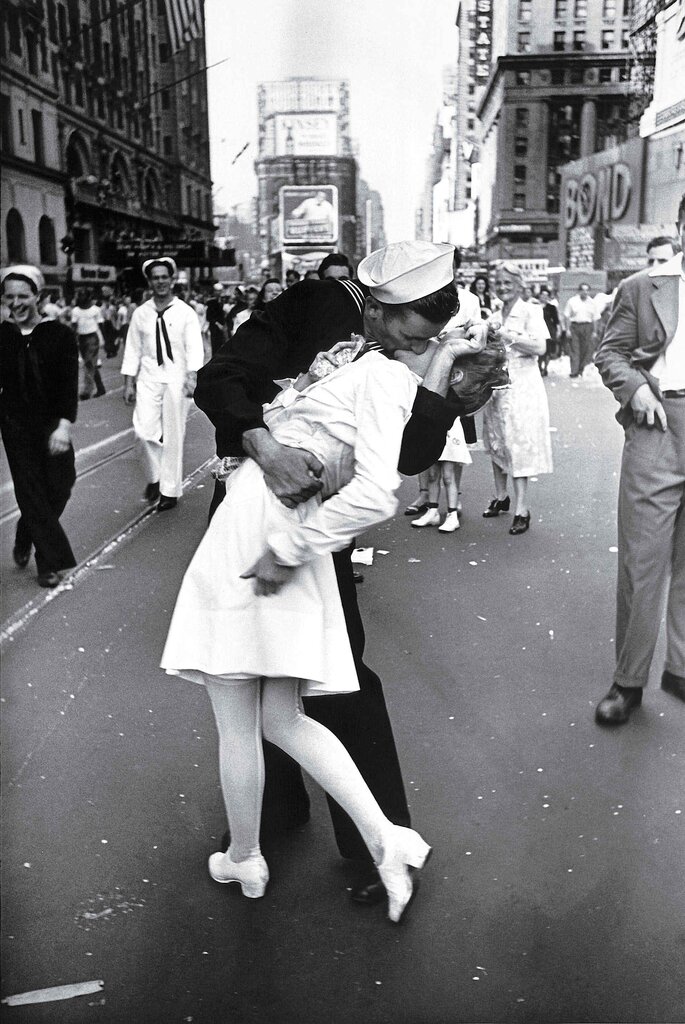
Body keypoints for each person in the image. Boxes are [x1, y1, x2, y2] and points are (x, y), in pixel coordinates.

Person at [193, 241, 487, 905]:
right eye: (403, 330)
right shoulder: (316, 303)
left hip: (319, 525)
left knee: (336, 673)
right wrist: (266, 448)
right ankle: (270, 816)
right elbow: (221, 378)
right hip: (254, 492)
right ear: (378, 306)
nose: (406, 345)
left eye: (425, 338)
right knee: (250, 666)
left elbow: (405, 460)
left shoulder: (424, 353)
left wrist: (437, 386)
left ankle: (375, 841)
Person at [593, 194, 685, 725]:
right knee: (642, 563)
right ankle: (628, 683)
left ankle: (680, 668)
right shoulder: (642, 287)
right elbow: (610, 353)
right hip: (659, 424)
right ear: (680, 226)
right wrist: (635, 389)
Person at [0, 265, 79, 588]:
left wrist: (63, 426)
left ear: (38, 297)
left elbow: (67, 385)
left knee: (61, 484)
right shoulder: (2, 335)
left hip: (50, 423)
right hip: (14, 424)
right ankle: (49, 563)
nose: (16, 303)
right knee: (30, 489)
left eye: (23, 296)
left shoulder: (59, 335)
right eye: (9, 297)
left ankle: (27, 530)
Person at [121, 257, 204, 511]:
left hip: (177, 379)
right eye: (155, 278)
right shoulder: (141, 314)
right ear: (149, 281)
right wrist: (128, 383)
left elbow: (194, 347)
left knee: (174, 435)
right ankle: (154, 478)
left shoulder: (185, 312)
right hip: (148, 377)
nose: (160, 282)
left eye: (164, 277)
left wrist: (192, 377)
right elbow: (132, 349)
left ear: (172, 280)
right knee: (143, 432)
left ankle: (169, 490)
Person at [408, 255, 484, 528]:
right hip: (423, 371)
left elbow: (476, 336)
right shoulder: (419, 296)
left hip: (457, 376)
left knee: (453, 448)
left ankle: (453, 502)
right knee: (421, 435)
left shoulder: (470, 300)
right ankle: (427, 499)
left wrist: (465, 337)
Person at [481, 262, 552, 535]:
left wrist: (507, 335)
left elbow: (540, 347)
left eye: (508, 283)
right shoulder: (495, 313)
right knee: (497, 440)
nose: (502, 288)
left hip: (523, 384)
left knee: (518, 442)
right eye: (498, 283)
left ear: (520, 285)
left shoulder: (531, 311)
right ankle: (501, 496)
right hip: (498, 384)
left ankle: (522, 509)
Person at [70, 288, 106, 399]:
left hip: (92, 338)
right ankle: (100, 387)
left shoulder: (95, 310)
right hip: (82, 338)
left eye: (83, 296)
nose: (82, 299)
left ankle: (87, 391)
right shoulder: (75, 311)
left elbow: (101, 325)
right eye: (80, 296)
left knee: (89, 363)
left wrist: (102, 338)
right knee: (89, 364)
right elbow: (74, 326)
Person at [563, 282, 598, 378]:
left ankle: (581, 369)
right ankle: (574, 371)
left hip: (587, 327)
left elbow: (595, 318)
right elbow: (566, 316)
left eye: (587, 290)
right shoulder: (572, 301)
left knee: (586, 349)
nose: (585, 292)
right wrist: (567, 330)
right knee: (575, 349)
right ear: (579, 291)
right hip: (575, 327)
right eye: (583, 290)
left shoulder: (592, 303)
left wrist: (594, 332)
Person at [538, 286, 561, 375]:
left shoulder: (551, 307)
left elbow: (556, 320)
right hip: (537, 329)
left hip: (548, 329)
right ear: (539, 296)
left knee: (547, 350)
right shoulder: (534, 306)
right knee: (539, 350)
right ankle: (539, 366)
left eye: (546, 296)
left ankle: (545, 368)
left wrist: (558, 330)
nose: (544, 297)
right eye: (542, 295)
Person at [206, 283, 228, 356]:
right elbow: (209, 317)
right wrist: (218, 324)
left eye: (220, 291)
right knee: (215, 347)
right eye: (217, 291)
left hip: (222, 328)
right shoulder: (211, 302)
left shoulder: (222, 301)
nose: (219, 292)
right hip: (215, 328)